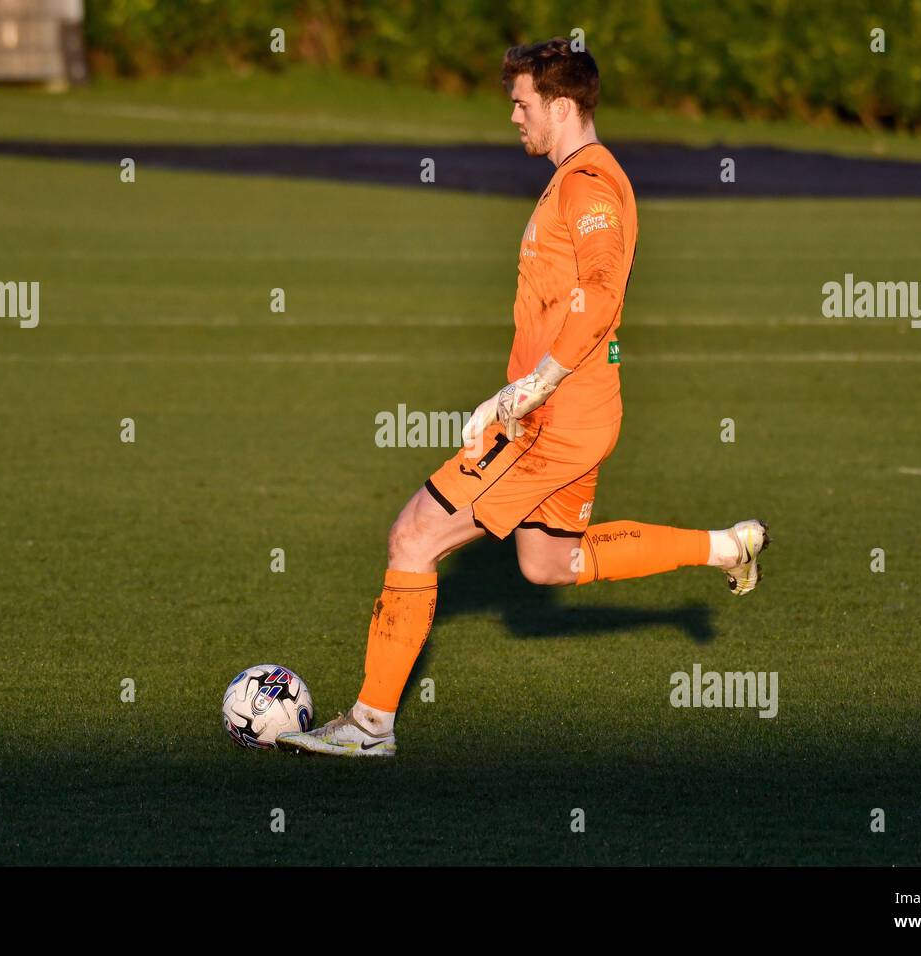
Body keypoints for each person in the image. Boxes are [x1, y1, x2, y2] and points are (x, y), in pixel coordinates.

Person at [278, 38, 768, 758]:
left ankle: (370, 727)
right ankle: (725, 546)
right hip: (577, 407)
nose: (513, 115)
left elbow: (599, 295)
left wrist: (534, 385)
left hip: (554, 418)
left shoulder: (588, 185)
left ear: (561, 105)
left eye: (522, 102)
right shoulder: (575, 177)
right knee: (548, 565)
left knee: (413, 537)